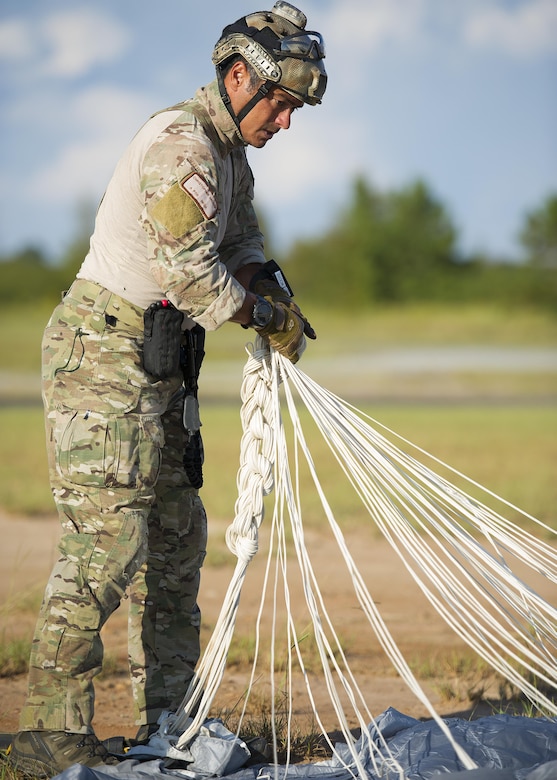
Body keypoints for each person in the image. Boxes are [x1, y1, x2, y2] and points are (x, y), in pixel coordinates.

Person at [10, 2, 326, 777]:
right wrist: (256, 312)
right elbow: (191, 276)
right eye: (280, 102)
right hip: (105, 354)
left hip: (162, 362)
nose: (284, 122)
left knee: (177, 546)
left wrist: (273, 295)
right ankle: (49, 739)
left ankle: (170, 724)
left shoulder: (230, 157)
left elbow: (241, 243)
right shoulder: (181, 145)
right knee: (105, 549)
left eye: (293, 108)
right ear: (238, 76)